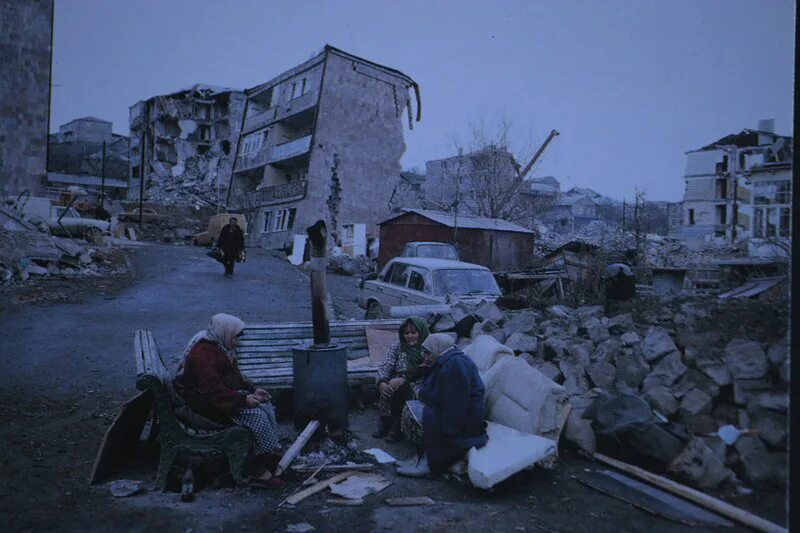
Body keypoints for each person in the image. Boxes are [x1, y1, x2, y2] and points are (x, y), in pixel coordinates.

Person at [174, 313, 284, 488]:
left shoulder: (220, 347)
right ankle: (257, 469)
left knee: (266, 406)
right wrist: (243, 399)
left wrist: (253, 391)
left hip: (218, 397)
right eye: (236, 336)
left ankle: (267, 453)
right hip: (204, 405)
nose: (239, 340)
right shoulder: (204, 354)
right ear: (224, 332)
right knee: (256, 417)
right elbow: (213, 392)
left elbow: (234, 379)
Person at [396, 333, 489, 478]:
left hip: (466, 417)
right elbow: (437, 390)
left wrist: (449, 431)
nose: (425, 356)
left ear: (438, 349)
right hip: (454, 407)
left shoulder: (455, 364)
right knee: (415, 409)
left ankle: (430, 463)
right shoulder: (446, 361)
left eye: (428, 352)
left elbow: (457, 402)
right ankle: (421, 456)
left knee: (429, 419)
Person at [373, 316, 430, 442]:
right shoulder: (397, 347)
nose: (409, 336)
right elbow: (386, 365)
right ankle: (385, 422)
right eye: (406, 333)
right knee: (388, 389)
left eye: (413, 333)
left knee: (407, 392)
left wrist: (405, 379)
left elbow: (426, 370)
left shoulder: (426, 348)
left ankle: (398, 428)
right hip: (396, 379)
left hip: (418, 381)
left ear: (420, 333)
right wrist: (382, 381)